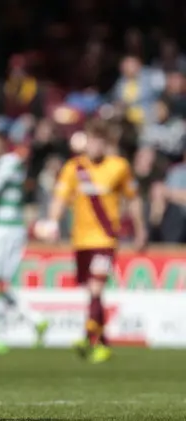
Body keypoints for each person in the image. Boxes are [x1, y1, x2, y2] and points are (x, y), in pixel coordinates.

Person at [39, 118, 147, 364]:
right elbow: (60, 197)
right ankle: (103, 342)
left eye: (100, 140)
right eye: (91, 139)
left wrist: (140, 230)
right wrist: (53, 221)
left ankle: (89, 339)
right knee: (92, 292)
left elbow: (134, 198)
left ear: (106, 143)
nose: (95, 145)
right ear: (86, 141)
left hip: (106, 239)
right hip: (81, 240)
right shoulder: (74, 167)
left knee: (96, 287)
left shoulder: (118, 167)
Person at [0, 116, 48, 354]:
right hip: (10, 225)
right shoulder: (12, 161)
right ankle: (36, 320)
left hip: (6, 226)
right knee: (0, 282)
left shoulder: (7, 161)